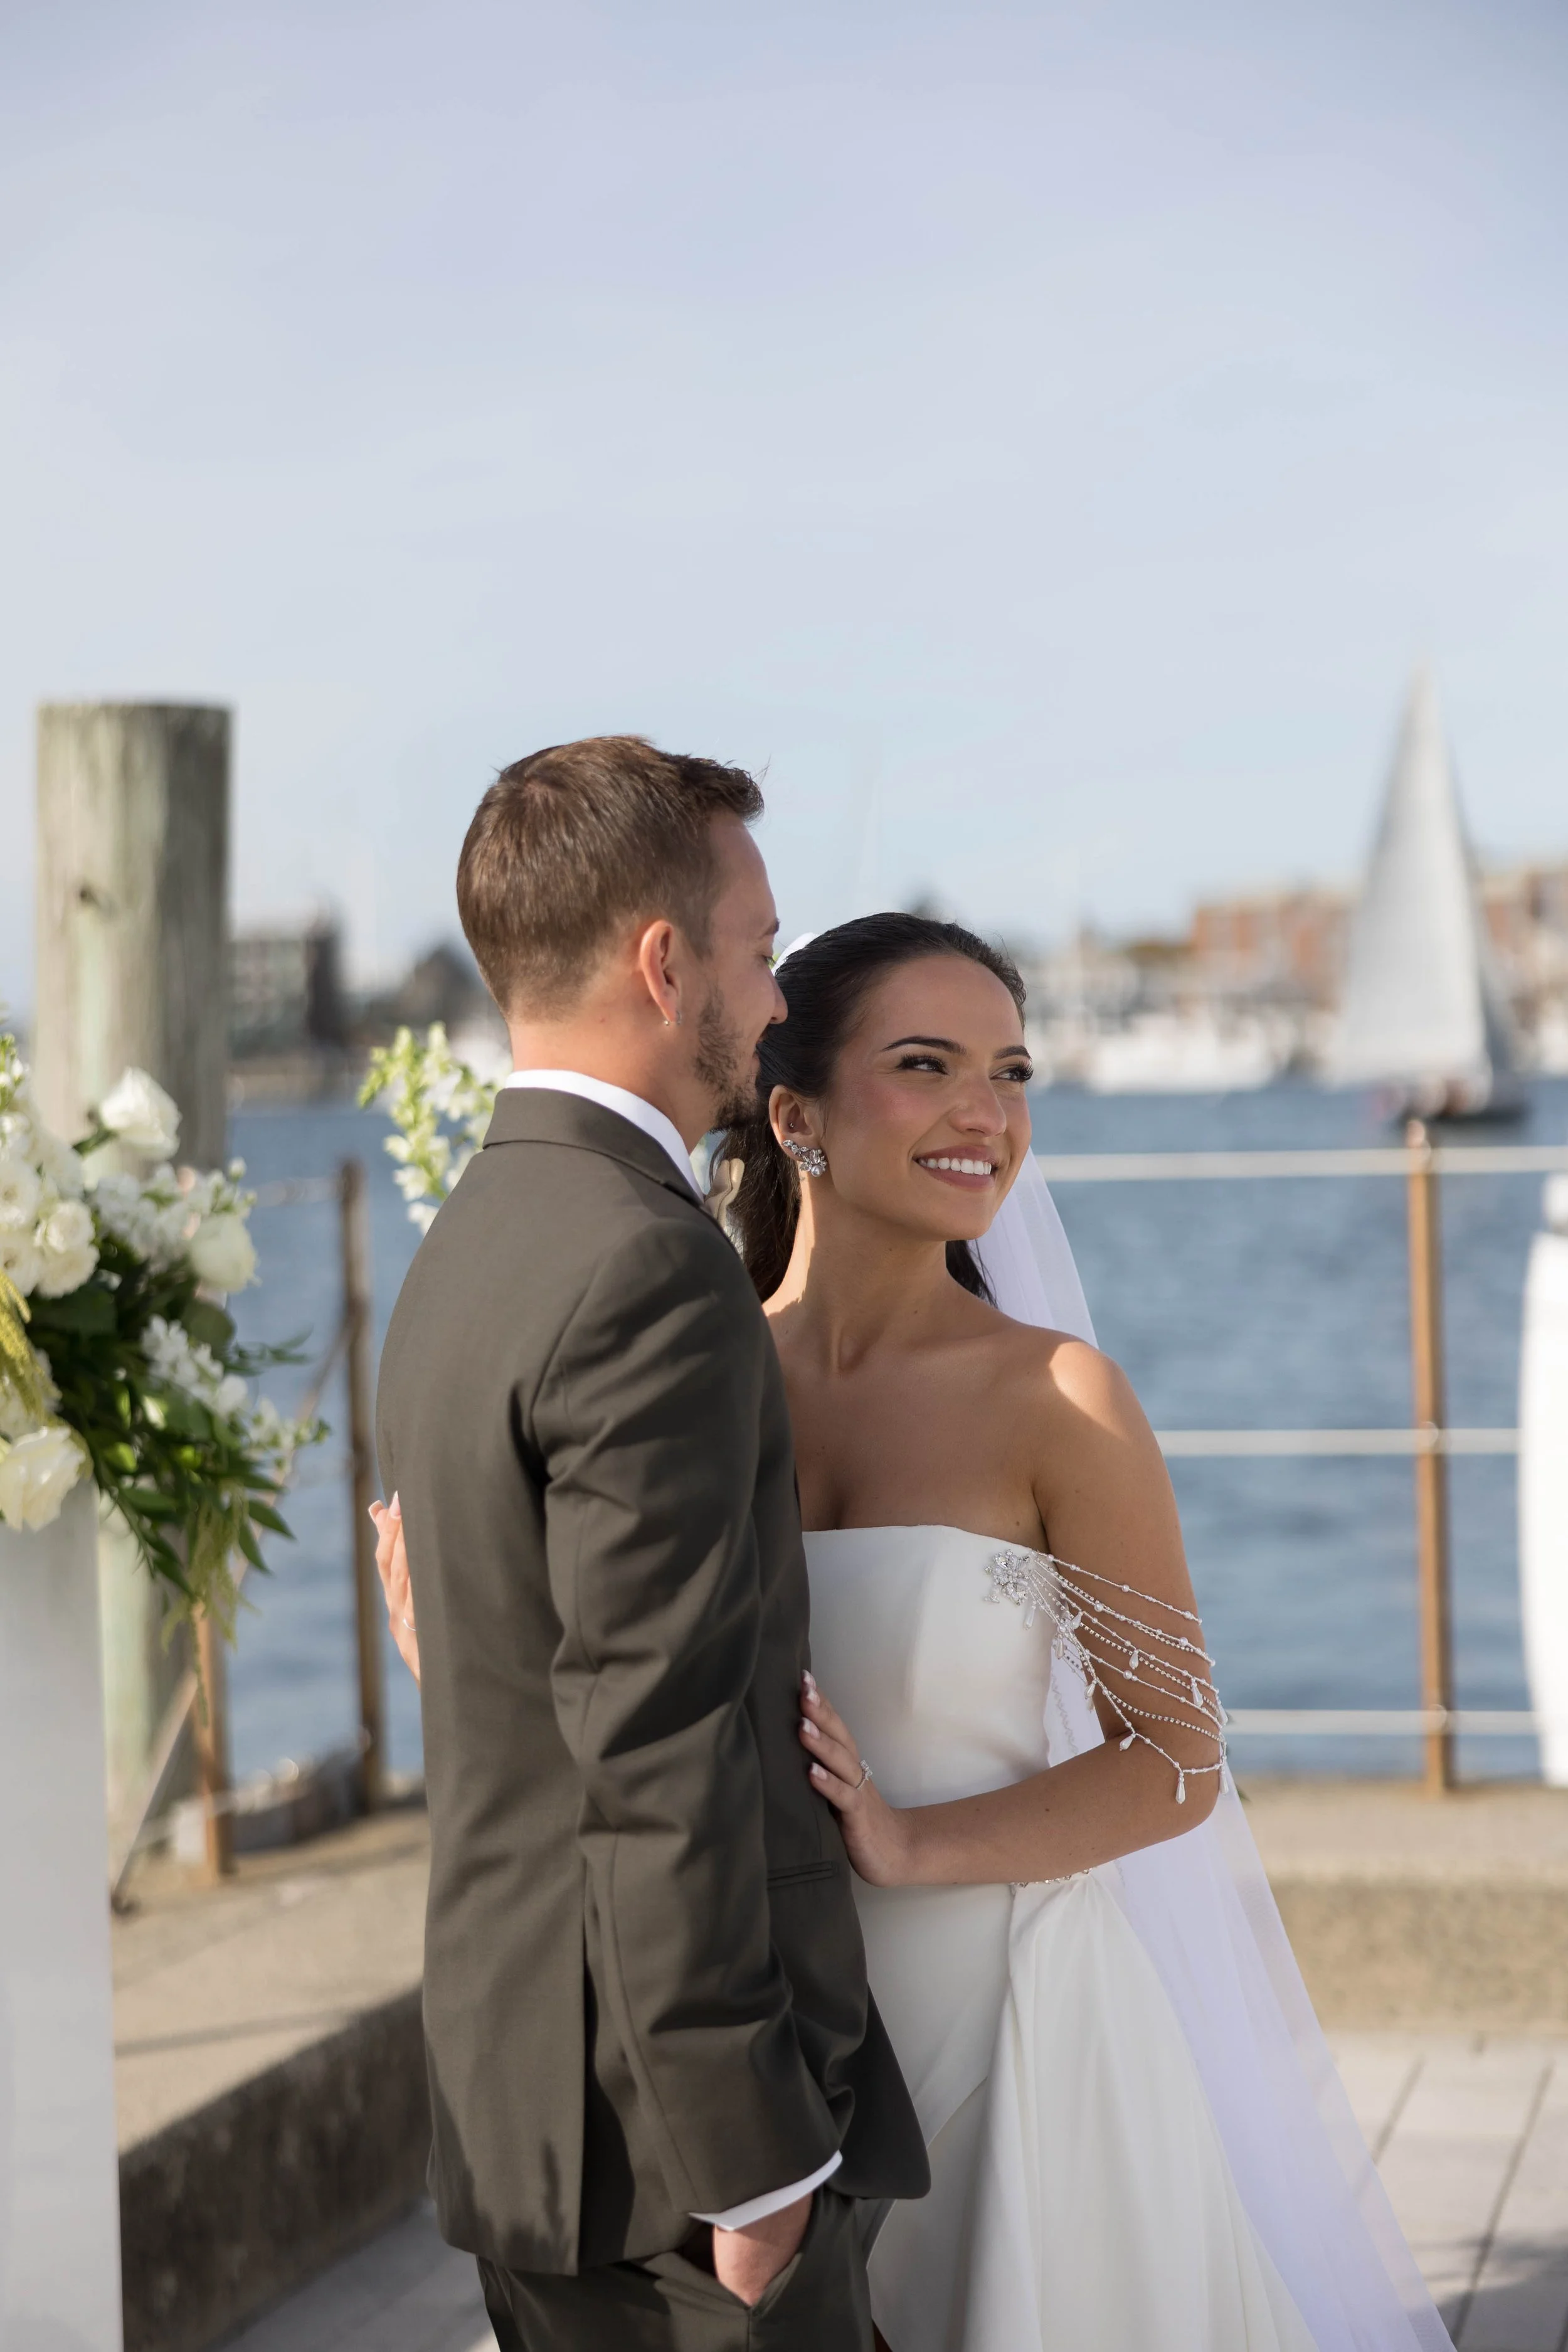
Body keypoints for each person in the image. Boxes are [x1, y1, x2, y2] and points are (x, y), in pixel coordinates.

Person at [379, 903, 1455, 2352]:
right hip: (767, 2035)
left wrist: (912, 1844)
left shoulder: (1060, 1400)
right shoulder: (693, 1368)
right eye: (929, 1064)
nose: (982, 1115)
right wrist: (456, 1652)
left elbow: (1179, 1762)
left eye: (1010, 1075)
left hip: (1013, 2047)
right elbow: (630, 1694)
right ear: (795, 1114)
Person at [372, 742, 927, 2352]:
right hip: (669, 2158)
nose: (771, 997)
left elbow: (514, 1656)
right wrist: (752, 2170)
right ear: (660, 961)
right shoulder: (648, 1273)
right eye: (757, 949)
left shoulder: (468, 1246)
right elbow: (660, 1746)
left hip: (520, 2104)